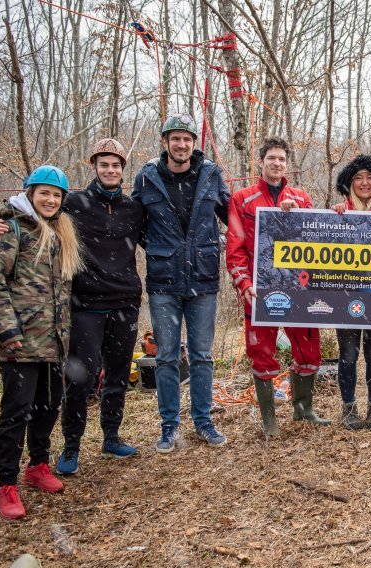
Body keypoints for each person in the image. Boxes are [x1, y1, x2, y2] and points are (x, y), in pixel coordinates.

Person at [0, 139, 145, 475]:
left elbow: (163, 237)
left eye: (116, 165)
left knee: (116, 377)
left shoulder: (134, 208)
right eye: (104, 164)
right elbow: (26, 213)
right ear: (94, 168)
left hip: (125, 303)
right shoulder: (73, 203)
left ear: (122, 170)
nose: (110, 170)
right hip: (84, 305)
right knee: (79, 381)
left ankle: (112, 437)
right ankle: (71, 446)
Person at [0, 165, 83, 519]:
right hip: (19, 344)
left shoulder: (58, 234)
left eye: (56, 195)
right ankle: (6, 483)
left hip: (53, 343)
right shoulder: (9, 229)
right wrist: (8, 331)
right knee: (16, 413)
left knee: (48, 406)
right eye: (44, 193)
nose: (50, 199)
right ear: (29, 192)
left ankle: (38, 464)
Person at [132, 113, 230, 452]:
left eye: (186, 138)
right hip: (163, 284)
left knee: (202, 356)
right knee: (166, 358)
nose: (181, 144)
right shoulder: (147, 178)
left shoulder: (211, 175)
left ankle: (203, 422)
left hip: (203, 281)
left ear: (193, 143)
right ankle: (169, 427)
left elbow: (234, 216)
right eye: (175, 138)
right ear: (165, 142)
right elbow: (133, 223)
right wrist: (162, 250)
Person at [227, 137, 330, 439]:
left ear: (288, 164)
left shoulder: (301, 198)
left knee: (309, 349)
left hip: (299, 289)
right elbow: (234, 249)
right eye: (271, 158)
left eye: (282, 159)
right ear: (261, 162)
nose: (277, 163)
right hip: (260, 292)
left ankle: (304, 409)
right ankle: (270, 420)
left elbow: (315, 243)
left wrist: (295, 215)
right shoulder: (242, 199)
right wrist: (243, 282)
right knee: (261, 353)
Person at [331, 155, 371, 430]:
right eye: (358, 177)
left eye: (369, 177)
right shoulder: (337, 214)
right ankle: (348, 407)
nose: (364, 183)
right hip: (344, 295)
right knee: (347, 356)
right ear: (349, 183)